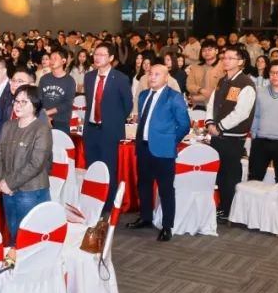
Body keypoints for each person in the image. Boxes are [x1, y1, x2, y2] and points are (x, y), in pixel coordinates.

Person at [126, 65, 190, 241]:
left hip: (164, 150)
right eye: (150, 74)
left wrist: (170, 141)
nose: (152, 77)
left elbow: (184, 125)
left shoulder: (174, 97)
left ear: (166, 77)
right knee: (144, 185)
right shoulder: (143, 95)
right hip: (143, 147)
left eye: (157, 74)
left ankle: (167, 226)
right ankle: (145, 217)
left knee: (166, 189)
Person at [0, 86, 53, 244]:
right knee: (14, 234)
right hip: (8, 189)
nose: (18, 105)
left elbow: (36, 164)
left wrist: (10, 183)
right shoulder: (8, 126)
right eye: (16, 101)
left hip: (31, 191)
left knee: (29, 240)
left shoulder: (42, 129)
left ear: (35, 105)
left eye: (24, 102)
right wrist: (2, 181)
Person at [206, 46, 256, 224]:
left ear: (240, 62)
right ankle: (223, 207)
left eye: (230, 58)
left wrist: (220, 126)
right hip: (217, 134)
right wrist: (209, 122)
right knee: (220, 173)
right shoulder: (222, 81)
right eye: (224, 58)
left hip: (233, 136)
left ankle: (229, 210)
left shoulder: (246, 83)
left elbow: (241, 112)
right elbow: (212, 103)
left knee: (230, 174)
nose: (226, 61)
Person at [83, 42, 133, 202]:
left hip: (110, 132)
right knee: (92, 168)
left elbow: (128, 105)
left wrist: (113, 121)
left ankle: (108, 206)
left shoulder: (120, 78)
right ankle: (93, 201)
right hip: (91, 130)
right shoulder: (89, 77)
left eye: (102, 55)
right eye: (95, 54)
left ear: (111, 58)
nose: (97, 57)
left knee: (109, 168)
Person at [39, 47, 75, 135]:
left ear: (63, 61)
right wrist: (44, 115)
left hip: (61, 120)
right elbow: (39, 98)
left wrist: (48, 113)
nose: (52, 61)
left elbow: (67, 104)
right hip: (43, 119)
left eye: (55, 58)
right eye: (51, 58)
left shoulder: (70, 81)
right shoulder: (44, 78)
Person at [187, 39, 223, 109]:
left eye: (210, 50)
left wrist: (201, 96)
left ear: (216, 51)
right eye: (204, 50)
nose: (207, 52)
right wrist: (200, 90)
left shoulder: (223, 67)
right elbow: (189, 85)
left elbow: (224, 88)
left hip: (217, 104)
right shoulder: (195, 67)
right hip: (198, 104)